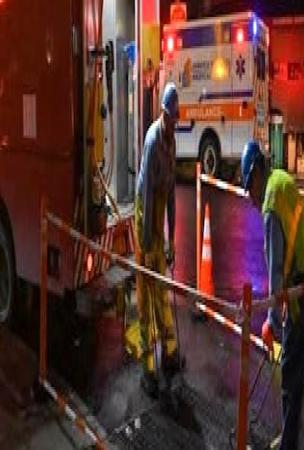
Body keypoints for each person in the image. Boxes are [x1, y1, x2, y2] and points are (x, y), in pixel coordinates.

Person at [241, 141, 304, 449]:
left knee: (290, 374)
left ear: (257, 173)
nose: (250, 197)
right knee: (295, 371)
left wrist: (271, 321)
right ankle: (288, 437)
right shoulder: (281, 179)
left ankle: (288, 445)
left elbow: (275, 271)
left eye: (249, 187)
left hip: (299, 289)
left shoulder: (270, 205)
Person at [135, 82, 182, 398]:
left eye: (175, 119)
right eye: (170, 118)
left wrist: (171, 239)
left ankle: (169, 353)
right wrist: (148, 240)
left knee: (161, 288)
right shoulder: (153, 141)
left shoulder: (172, 142)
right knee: (146, 292)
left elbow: (171, 193)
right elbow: (149, 194)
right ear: (162, 113)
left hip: (159, 209)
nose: (172, 123)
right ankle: (147, 367)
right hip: (145, 213)